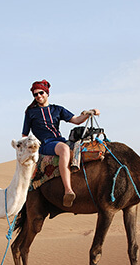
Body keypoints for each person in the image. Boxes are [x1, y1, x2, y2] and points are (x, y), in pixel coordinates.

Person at [22, 79, 100, 207]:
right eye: (35, 94)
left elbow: (76, 120)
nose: (38, 96)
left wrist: (89, 112)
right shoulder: (30, 112)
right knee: (64, 149)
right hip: (46, 144)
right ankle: (68, 190)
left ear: (47, 93)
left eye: (41, 93)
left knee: (82, 145)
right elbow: (25, 135)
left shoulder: (57, 109)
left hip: (60, 140)